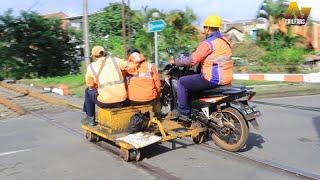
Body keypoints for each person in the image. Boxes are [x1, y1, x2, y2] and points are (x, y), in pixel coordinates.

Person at [173, 15, 233, 119]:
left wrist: (176, 61)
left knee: (182, 81)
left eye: (205, 27)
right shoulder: (225, 41)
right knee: (193, 77)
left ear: (209, 28)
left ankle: (183, 112)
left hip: (212, 79)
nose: (203, 29)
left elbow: (191, 61)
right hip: (226, 78)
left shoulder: (208, 44)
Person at [82, 46, 137, 126]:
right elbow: (132, 67)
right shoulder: (115, 61)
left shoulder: (91, 67)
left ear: (93, 56)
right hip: (121, 101)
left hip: (105, 102)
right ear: (104, 53)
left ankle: (90, 117)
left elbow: (90, 85)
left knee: (88, 90)